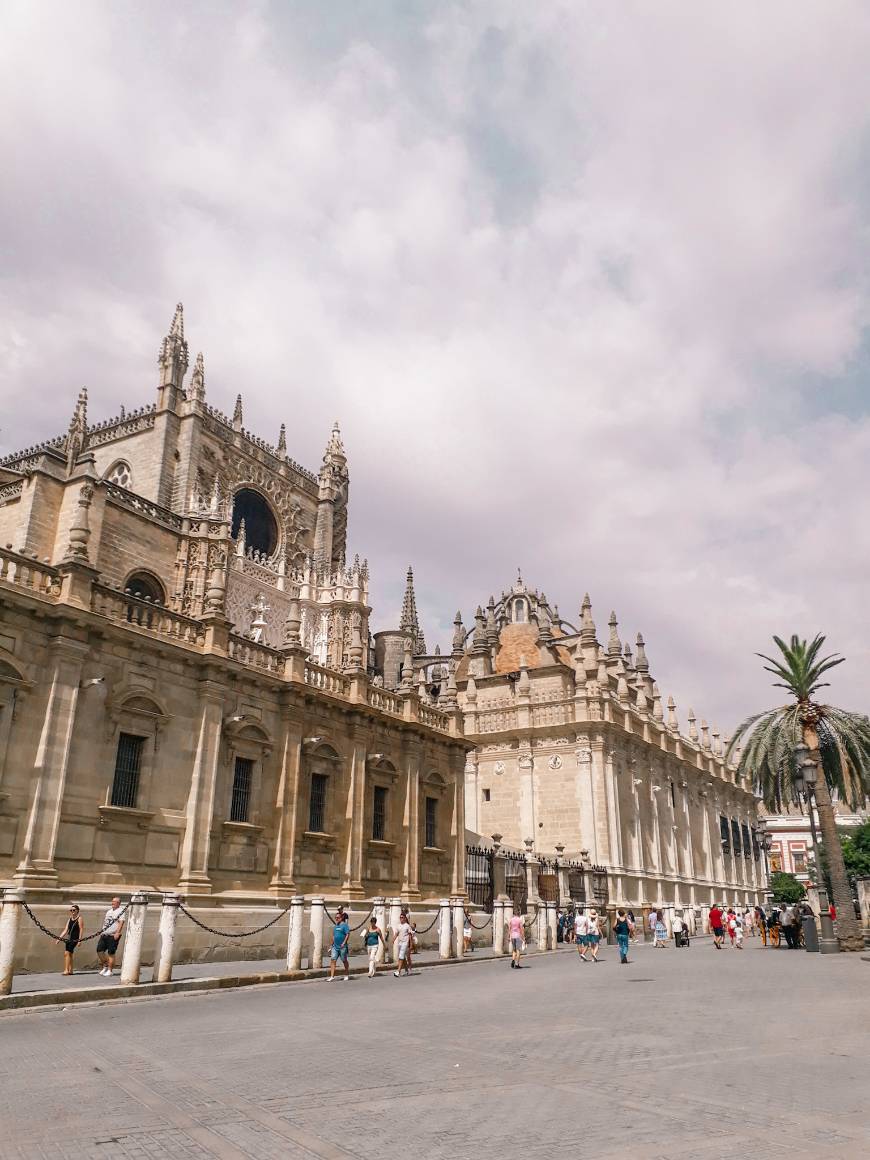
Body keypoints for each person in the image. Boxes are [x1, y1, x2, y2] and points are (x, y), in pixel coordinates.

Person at [97, 897, 126, 977]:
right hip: (105, 934)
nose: (112, 902)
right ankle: (105, 965)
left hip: (113, 935)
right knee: (99, 950)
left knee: (111, 953)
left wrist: (118, 933)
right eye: (112, 901)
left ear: (118, 903)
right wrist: (102, 931)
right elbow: (105, 922)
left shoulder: (121, 911)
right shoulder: (109, 911)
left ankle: (110, 970)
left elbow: (121, 922)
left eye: (114, 901)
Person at [57, 904, 83, 975]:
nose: (72, 911)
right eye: (71, 910)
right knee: (70, 954)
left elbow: (81, 929)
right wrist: (59, 938)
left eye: (74, 910)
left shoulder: (79, 918)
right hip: (69, 938)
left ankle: (66, 970)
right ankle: (71, 970)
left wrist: (79, 940)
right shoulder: (69, 919)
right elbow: (65, 930)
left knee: (66, 953)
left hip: (75, 939)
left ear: (77, 910)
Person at [328, 911, 351, 981]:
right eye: (336, 918)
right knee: (333, 960)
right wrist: (331, 946)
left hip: (342, 946)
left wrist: (344, 942)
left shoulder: (344, 925)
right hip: (335, 946)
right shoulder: (336, 926)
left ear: (341, 918)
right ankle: (332, 976)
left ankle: (346, 974)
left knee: (344, 960)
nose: (336, 919)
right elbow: (334, 936)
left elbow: (347, 934)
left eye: (338, 917)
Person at [393, 912, 413, 976]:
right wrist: (393, 939)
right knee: (403, 957)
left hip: (405, 943)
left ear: (405, 918)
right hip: (400, 942)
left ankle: (398, 971)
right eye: (400, 917)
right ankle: (407, 970)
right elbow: (396, 933)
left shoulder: (407, 926)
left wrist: (411, 944)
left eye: (402, 917)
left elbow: (410, 935)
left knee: (401, 956)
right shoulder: (398, 925)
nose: (401, 919)